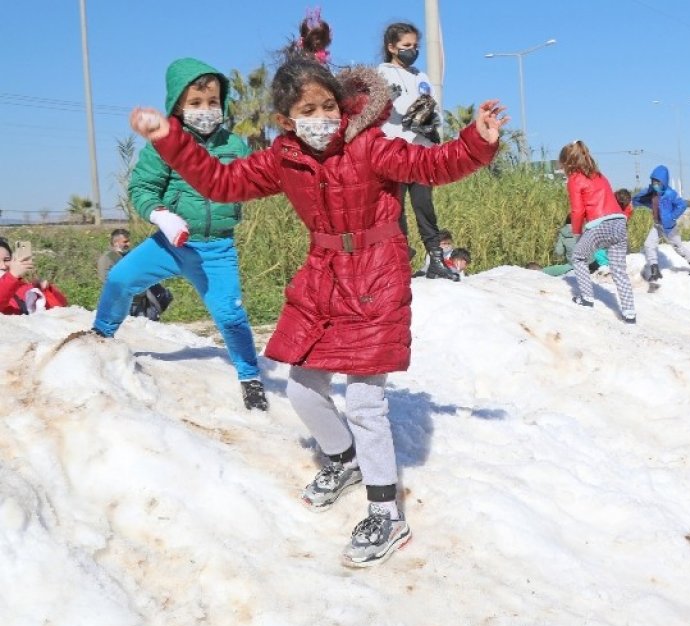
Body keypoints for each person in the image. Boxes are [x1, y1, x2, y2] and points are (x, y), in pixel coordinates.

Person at [128, 58, 505, 566]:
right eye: (309, 110)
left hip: (376, 272)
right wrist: (169, 138)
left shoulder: (369, 144)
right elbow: (220, 182)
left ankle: (386, 513)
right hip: (324, 273)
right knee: (303, 387)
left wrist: (476, 141)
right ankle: (345, 458)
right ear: (287, 120)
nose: (323, 117)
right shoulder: (283, 157)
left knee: (366, 402)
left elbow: (431, 166)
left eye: (329, 105)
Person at [94, 58, 266, 410]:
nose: (206, 110)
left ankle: (250, 376)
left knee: (230, 314)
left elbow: (252, 182)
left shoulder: (235, 145)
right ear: (178, 106)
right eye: (196, 103)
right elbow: (142, 187)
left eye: (213, 102)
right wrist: (161, 215)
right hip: (170, 244)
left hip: (216, 249)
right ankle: (100, 335)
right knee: (120, 278)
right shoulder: (163, 144)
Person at [378, 22, 454, 281]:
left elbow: (432, 105)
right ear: (392, 47)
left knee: (425, 207)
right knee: (395, 210)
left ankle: (436, 260)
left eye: (415, 46)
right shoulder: (382, 73)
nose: (412, 50)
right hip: (395, 151)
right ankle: (399, 265)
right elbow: (384, 106)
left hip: (421, 151)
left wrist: (433, 121)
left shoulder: (421, 76)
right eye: (406, 46)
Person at [562, 140, 637, 323]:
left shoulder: (574, 179)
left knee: (578, 256)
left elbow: (577, 211)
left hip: (599, 224)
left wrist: (577, 233)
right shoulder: (600, 176)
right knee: (619, 269)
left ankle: (587, 298)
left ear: (568, 163)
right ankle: (629, 312)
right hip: (619, 222)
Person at [633, 165, 690, 287]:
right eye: (653, 181)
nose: (655, 184)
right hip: (657, 225)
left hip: (669, 227)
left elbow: (682, 205)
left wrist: (672, 217)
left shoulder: (670, 193)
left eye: (657, 182)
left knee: (678, 247)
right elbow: (636, 200)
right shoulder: (652, 193)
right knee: (649, 244)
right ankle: (655, 269)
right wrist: (647, 191)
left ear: (663, 182)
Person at [0, 239, 67, 315]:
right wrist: (12, 276)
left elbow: (60, 309)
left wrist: (46, 290)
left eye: (6, 260)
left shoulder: (24, 287)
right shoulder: (11, 280)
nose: (3, 266)